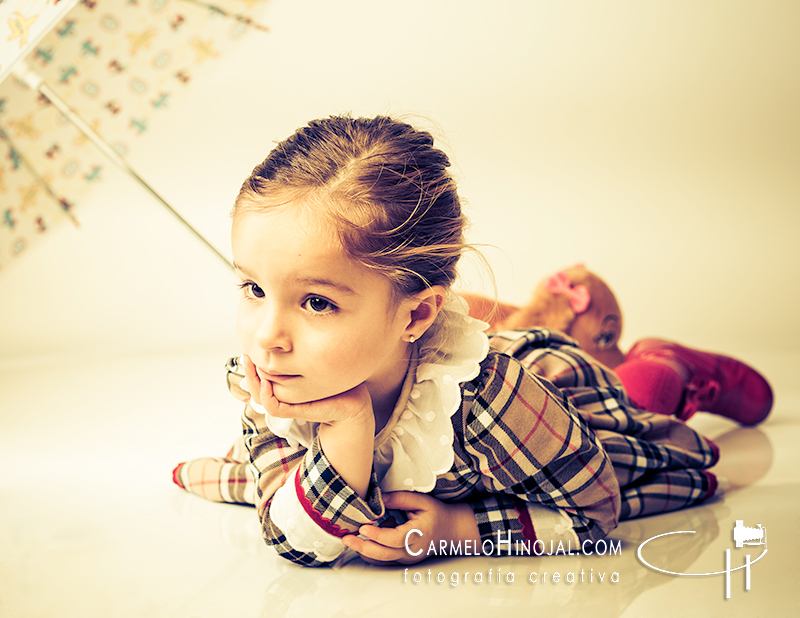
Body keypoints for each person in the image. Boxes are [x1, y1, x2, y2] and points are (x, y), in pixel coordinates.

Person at [173, 115, 726, 567]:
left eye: (317, 302)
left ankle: (669, 361)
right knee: (247, 472)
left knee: (644, 394)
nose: (267, 336)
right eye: (253, 287)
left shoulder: (492, 403)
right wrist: (348, 423)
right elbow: (293, 540)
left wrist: (461, 530)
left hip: (566, 401)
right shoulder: (264, 380)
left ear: (415, 315)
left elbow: (598, 511)